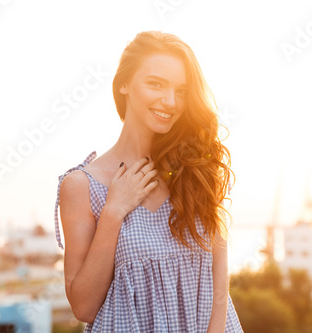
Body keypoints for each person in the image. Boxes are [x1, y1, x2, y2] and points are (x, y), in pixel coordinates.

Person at [54, 31, 243, 332]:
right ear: (124, 84)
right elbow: (84, 307)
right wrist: (114, 212)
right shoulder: (81, 186)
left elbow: (218, 273)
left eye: (181, 91)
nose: (170, 101)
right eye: (155, 84)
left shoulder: (195, 168)